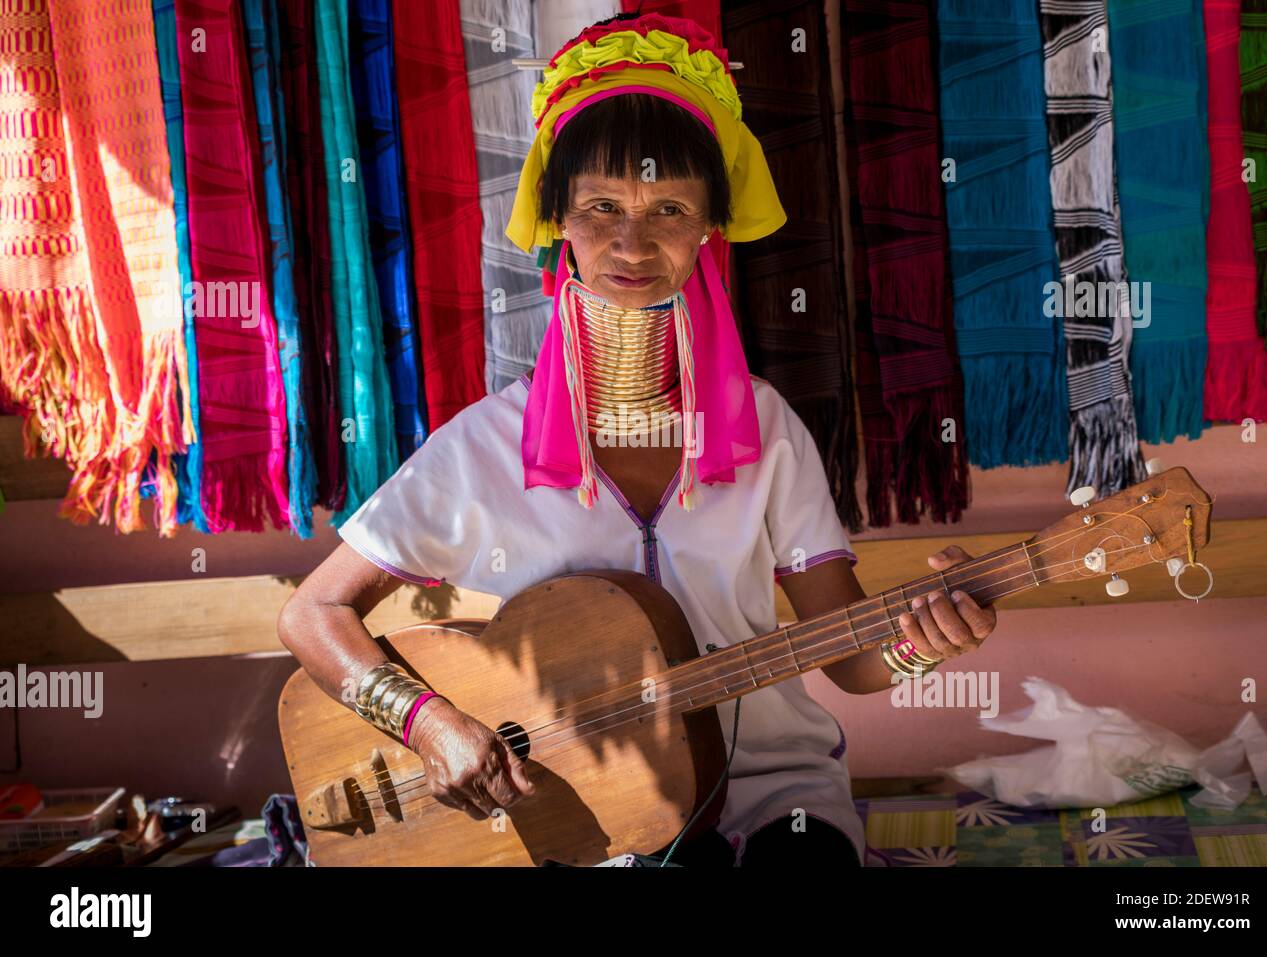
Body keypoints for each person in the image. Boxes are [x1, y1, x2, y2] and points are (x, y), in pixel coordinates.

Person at [277, 12, 997, 867]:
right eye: (602, 207)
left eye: (669, 210)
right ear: (558, 221)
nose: (631, 241)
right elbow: (311, 612)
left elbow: (849, 660)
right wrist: (429, 721)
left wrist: (927, 640)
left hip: (774, 795)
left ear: (707, 230)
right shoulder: (483, 447)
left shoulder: (767, 428)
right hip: (587, 816)